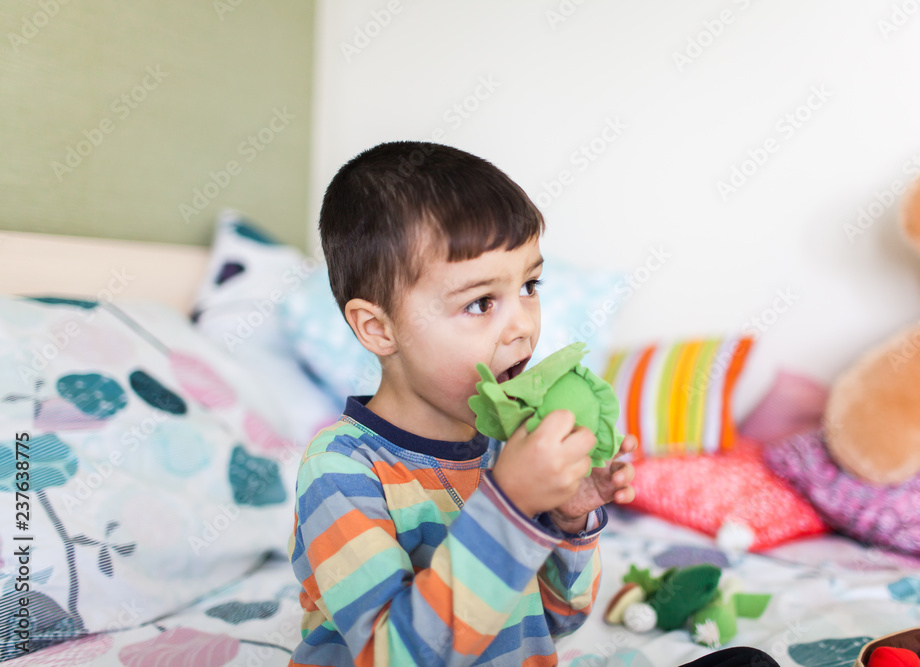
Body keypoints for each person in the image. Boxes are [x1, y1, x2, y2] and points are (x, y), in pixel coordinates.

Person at [287, 141, 777, 667]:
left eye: (529, 285)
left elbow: (555, 621)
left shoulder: (505, 443)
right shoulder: (340, 469)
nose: (522, 325)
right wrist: (511, 503)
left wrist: (565, 521)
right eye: (480, 303)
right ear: (379, 328)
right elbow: (395, 657)